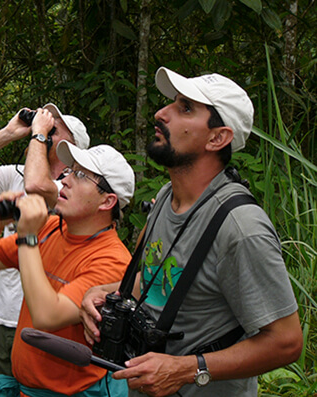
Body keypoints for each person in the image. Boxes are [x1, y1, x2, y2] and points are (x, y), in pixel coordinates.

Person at [80, 67, 303, 397]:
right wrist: (104, 292)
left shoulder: (240, 228)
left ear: (217, 138)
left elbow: (286, 342)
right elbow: (159, 280)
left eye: (185, 108)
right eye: (171, 103)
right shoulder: (165, 199)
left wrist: (187, 369)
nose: (161, 113)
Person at [0, 139, 135, 396]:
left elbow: (47, 316)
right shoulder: (51, 229)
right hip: (26, 388)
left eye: (80, 175)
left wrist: (27, 237)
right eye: (69, 171)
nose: (65, 180)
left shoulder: (112, 260)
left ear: (107, 201)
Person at [0, 104, 90, 396]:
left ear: (72, 147)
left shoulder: (71, 193)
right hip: (0, 319)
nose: (46, 127)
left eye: (54, 127)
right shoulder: (16, 175)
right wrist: (8, 134)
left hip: (43, 328)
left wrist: (38, 134)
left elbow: (37, 185)